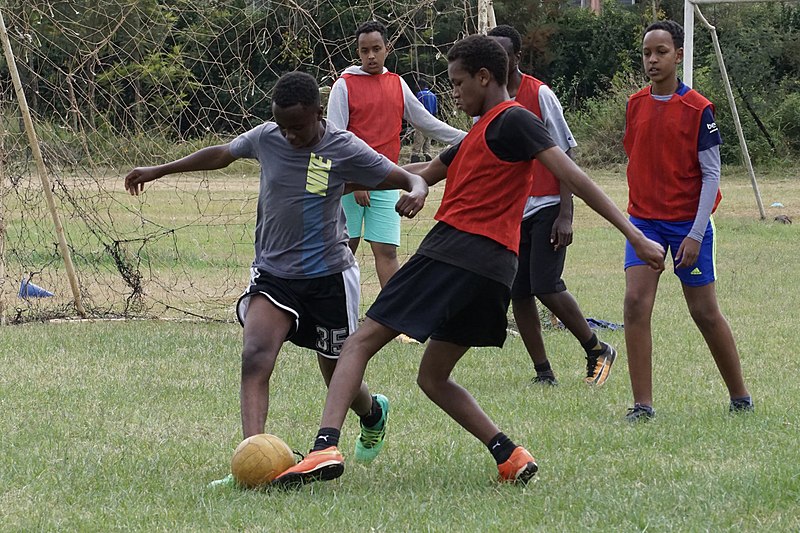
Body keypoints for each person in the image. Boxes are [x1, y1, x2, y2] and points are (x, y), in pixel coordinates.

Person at [272, 35, 665, 488]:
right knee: (433, 376)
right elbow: (415, 174)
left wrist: (635, 234)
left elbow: (572, 175)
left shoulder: (514, 119)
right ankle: (510, 454)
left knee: (358, 342)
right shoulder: (477, 133)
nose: (453, 92)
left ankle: (324, 447)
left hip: (455, 250)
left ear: (484, 77)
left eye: (458, 83)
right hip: (495, 270)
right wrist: (334, 181)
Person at [123, 71, 428, 486]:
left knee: (335, 371)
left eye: (297, 128)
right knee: (255, 356)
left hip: (328, 278)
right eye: (282, 127)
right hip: (274, 274)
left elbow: (400, 175)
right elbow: (222, 153)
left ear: (319, 114)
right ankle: (253, 463)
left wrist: (417, 189)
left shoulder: (342, 146)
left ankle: (372, 412)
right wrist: (159, 169)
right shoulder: (268, 136)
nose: (289, 136)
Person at [622, 20, 752, 421]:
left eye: (661, 52)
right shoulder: (635, 104)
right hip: (643, 222)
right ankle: (642, 405)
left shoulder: (699, 108)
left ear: (678, 55)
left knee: (704, 313)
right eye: (647, 53)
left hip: (688, 226)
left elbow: (712, 175)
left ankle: (740, 397)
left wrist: (695, 234)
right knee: (634, 304)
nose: (652, 60)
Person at [488, 24, 617, 387]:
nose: (497, 61)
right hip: (513, 211)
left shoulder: (539, 93)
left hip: (547, 206)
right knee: (519, 291)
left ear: (517, 57)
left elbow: (566, 154)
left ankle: (596, 347)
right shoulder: (489, 99)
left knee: (545, 284)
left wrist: (566, 213)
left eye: (503, 55)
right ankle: (543, 371)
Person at [328, 20, 465, 293]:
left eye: (376, 49)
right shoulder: (344, 86)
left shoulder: (396, 83)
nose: (371, 56)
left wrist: (466, 138)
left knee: (386, 252)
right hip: (348, 185)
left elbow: (425, 122)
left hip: (387, 180)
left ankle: (391, 320)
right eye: (364, 50)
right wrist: (357, 180)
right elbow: (334, 140)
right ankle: (335, 315)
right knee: (342, 252)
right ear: (357, 52)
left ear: (387, 49)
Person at [411, 81, 439, 163]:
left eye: (417, 85)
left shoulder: (420, 94)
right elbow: (435, 111)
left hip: (421, 121)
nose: (416, 87)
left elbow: (416, 107)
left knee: (417, 143)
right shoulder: (433, 95)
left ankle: (414, 162)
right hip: (430, 121)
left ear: (421, 85)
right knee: (427, 144)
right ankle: (428, 161)